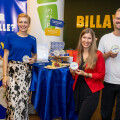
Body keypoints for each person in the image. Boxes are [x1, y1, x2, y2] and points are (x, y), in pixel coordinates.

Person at [2, 13, 37, 120]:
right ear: (17, 23)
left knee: (23, 104)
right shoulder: (9, 37)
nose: (23, 24)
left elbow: (35, 55)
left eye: (25, 22)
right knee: (12, 104)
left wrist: (33, 59)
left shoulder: (32, 39)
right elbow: (5, 56)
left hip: (25, 74)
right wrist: (5, 75)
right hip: (12, 73)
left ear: (29, 24)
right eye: (21, 22)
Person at [70, 28, 105, 120]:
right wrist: (73, 72)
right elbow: (74, 76)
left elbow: (101, 75)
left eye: (89, 38)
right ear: (81, 38)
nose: (86, 41)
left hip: (91, 92)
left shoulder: (98, 54)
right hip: (78, 91)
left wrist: (86, 74)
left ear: (93, 40)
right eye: (84, 37)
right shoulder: (76, 53)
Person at [98, 8, 120, 120]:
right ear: (113, 20)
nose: (119, 21)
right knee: (105, 114)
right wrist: (108, 54)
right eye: (118, 18)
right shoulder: (105, 38)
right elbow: (98, 58)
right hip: (108, 81)